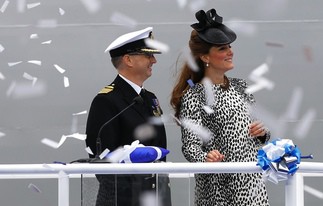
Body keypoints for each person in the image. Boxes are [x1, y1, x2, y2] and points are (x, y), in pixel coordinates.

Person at [170, 9, 270, 206]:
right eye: (222, 49)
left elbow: (259, 138)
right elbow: (190, 146)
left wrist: (261, 133)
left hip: (252, 186)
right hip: (219, 189)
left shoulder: (242, 87)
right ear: (205, 57)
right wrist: (206, 158)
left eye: (229, 47)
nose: (230, 52)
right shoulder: (194, 95)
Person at [85, 27, 171, 206]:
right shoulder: (106, 100)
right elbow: (100, 158)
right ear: (128, 59)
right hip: (123, 199)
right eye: (148, 56)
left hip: (155, 196)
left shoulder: (149, 98)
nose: (154, 60)